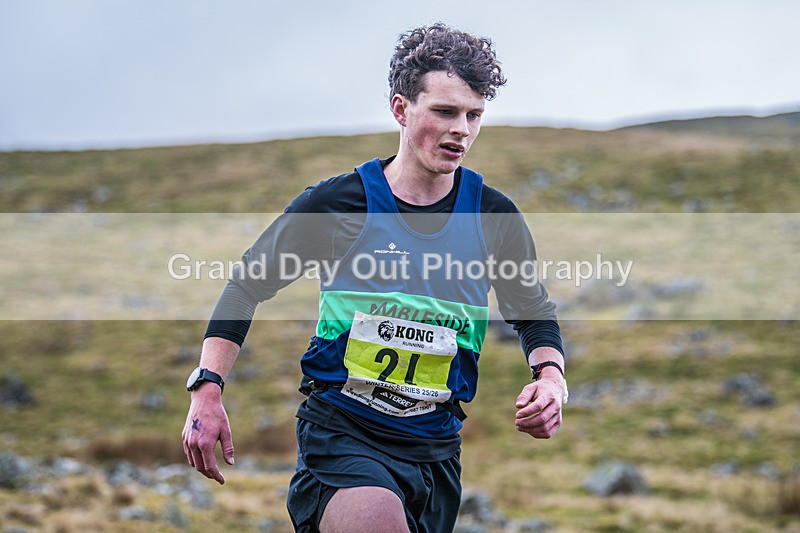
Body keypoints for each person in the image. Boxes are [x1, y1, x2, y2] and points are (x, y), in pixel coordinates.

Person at [182, 22, 567, 533]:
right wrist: (207, 388)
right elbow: (247, 285)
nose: (463, 130)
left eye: (474, 115)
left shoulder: (492, 216)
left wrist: (551, 379)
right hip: (343, 435)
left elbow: (533, 312)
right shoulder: (339, 204)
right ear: (401, 109)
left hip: (436, 448)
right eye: (445, 111)